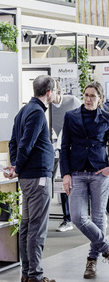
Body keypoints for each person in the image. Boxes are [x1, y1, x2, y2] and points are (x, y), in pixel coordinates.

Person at [6, 75, 66, 282]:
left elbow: (14, 142)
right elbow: (24, 145)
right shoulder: (37, 113)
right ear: (48, 92)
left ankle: (28, 274)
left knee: (27, 224)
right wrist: (18, 168)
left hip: (27, 177)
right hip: (37, 177)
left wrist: (15, 166)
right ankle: (35, 276)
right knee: (36, 228)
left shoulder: (23, 111)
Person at [60, 81, 109, 279]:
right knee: (78, 217)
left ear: (100, 99)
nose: (88, 99)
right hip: (77, 173)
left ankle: (92, 261)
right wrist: (65, 174)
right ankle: (106, 247)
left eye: (93, 96)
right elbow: (64, 147)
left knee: (98, 219)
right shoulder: (70, 116)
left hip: (99, 173)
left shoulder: (106, 117)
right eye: (86, 95)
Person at [50, 88, 81, 232]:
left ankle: (90, 217)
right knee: (62, 182)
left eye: (53, 90)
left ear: (58, 90)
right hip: (60, 147)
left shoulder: (72, 101)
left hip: (77, 147)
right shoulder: (47, 107)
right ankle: (67, 219)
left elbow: (85, 116)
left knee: (83, 182)